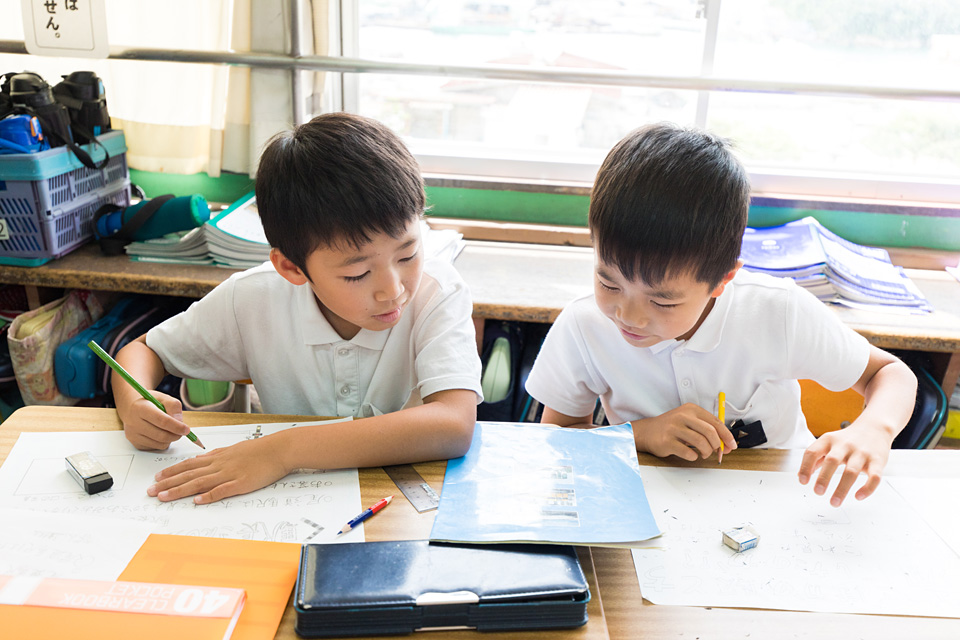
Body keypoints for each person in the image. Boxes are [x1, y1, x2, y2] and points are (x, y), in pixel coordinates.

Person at [525, 122, 917, 507]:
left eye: (662, 302)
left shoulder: (776, 311)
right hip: (650, 503)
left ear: (722, 279)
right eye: (608, 283)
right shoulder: (583, 326)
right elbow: (556, 438)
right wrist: (641, 434)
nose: (629, 316)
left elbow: (890, 374)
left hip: (778, 499)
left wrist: (875, 429)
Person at [114, 112, 483, 504]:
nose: (392, 291)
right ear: (291, 267)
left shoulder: (437, 293)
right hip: (290, 505)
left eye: (408, 254)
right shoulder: (253, 298)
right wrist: (135, 402)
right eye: (357, 274)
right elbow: (144, 350)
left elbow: (453, 423)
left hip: (407, 505)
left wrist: (283, 451)